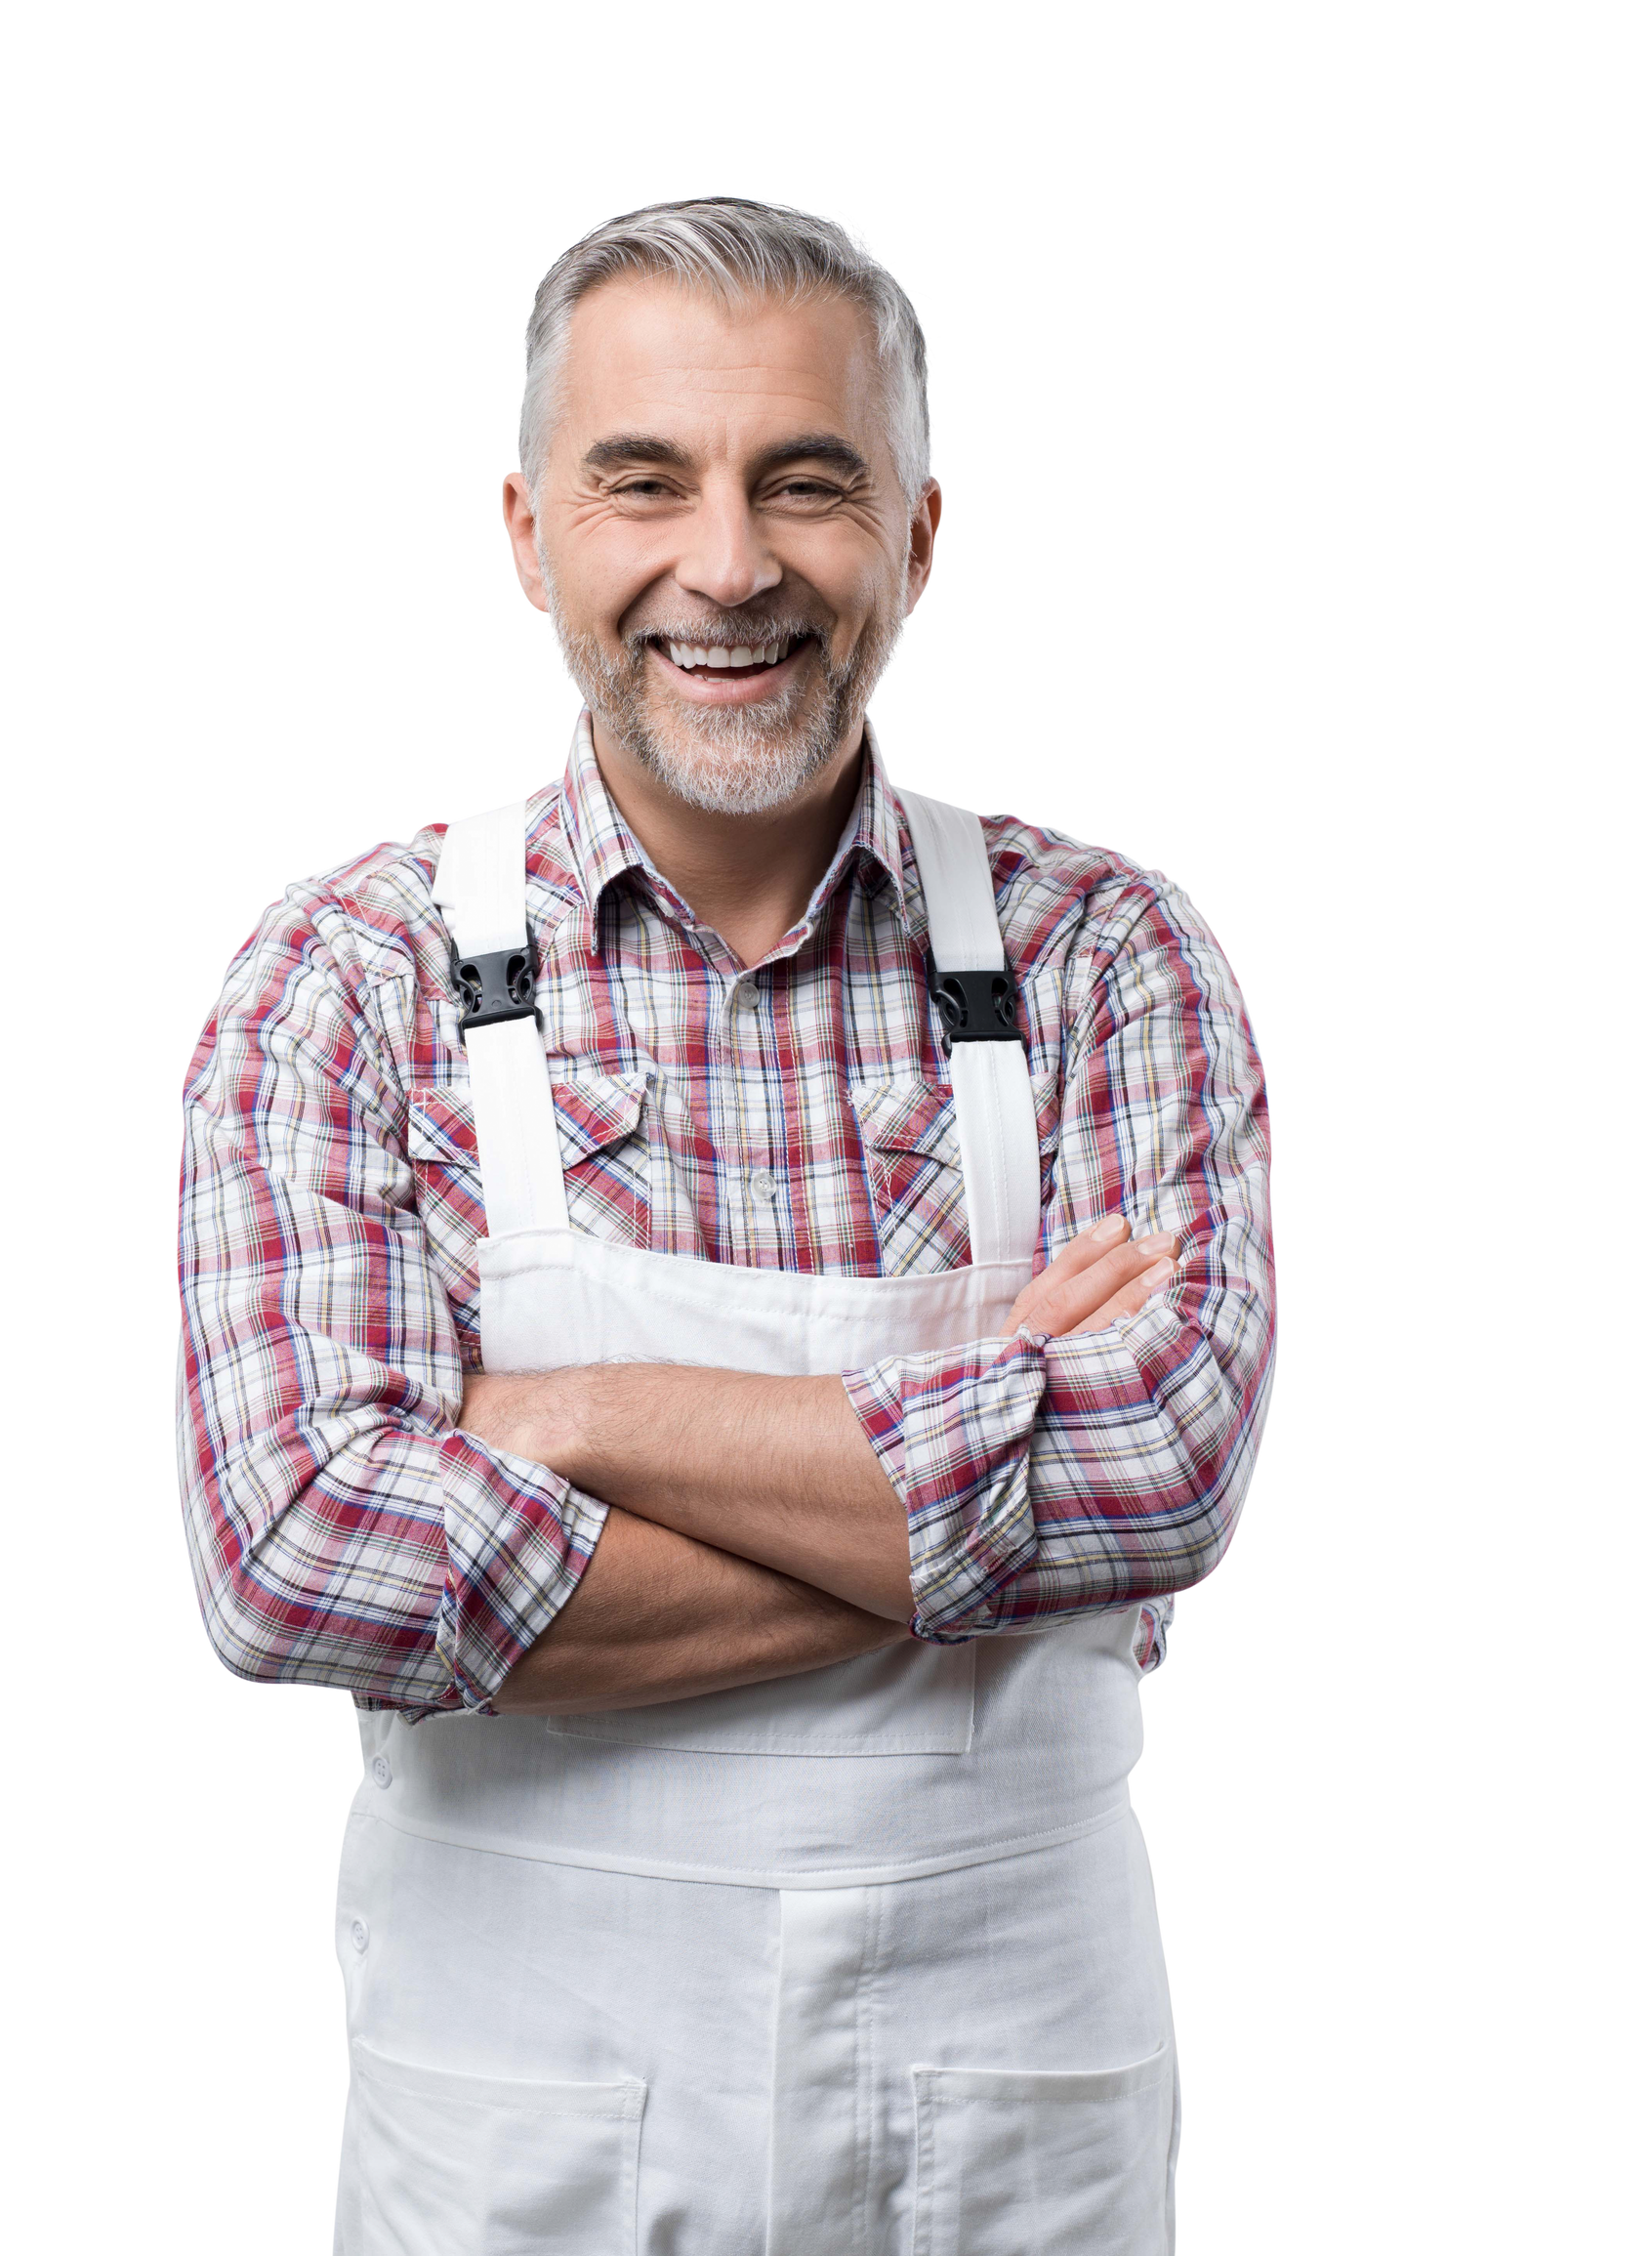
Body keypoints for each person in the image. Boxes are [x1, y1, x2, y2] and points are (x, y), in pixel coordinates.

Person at [173, 192, 1279, 2255]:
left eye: (807, 482)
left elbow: (1170, 1483)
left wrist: (563, 1417)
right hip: (525, 2129)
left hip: (1012, 2111)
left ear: (919, 536)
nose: (732, 563)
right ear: (527, 534)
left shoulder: (1112, 951)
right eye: (643, 482)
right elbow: (297, 1564)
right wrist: (993, 1487)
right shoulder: (350, 974)